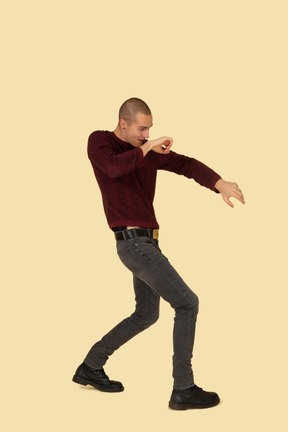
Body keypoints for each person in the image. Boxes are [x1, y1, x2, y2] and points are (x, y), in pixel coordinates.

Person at [72, 97, 245, 410]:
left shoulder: (146, 153)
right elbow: (113, 169)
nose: (146, 133)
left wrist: (218, 182)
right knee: (187, 302)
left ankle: (91, 366)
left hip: (147, 243)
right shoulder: (101, 142)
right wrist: (147, 148)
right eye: (142, 128)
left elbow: (185, 164)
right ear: (123, 123)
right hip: (133, 243)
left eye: (149, 128)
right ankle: (184, 388)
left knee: (146, 313)